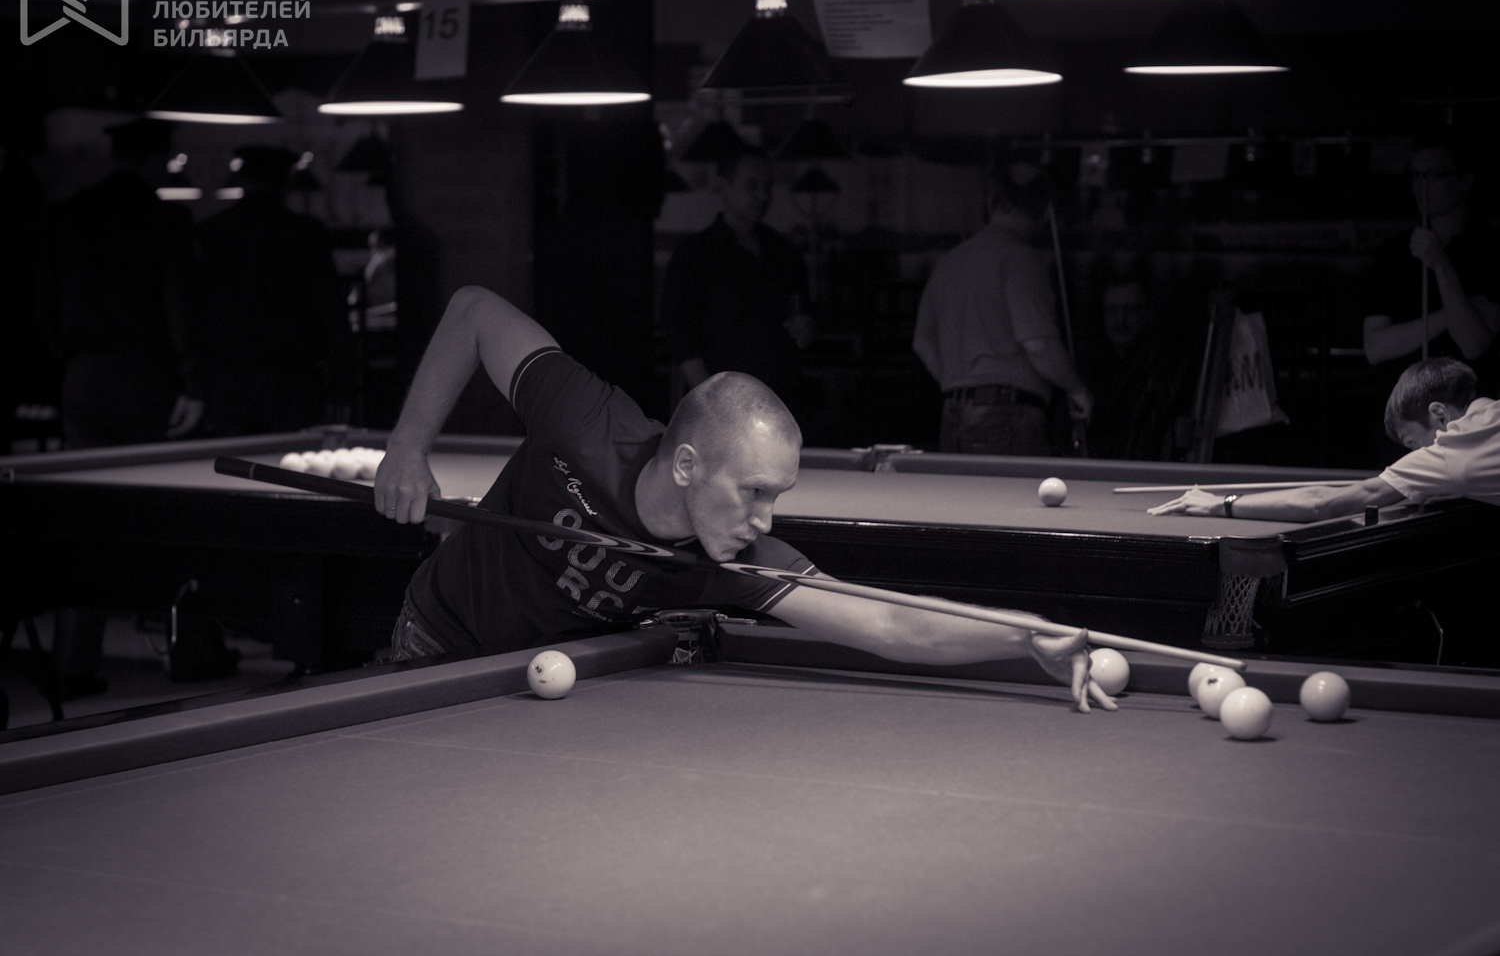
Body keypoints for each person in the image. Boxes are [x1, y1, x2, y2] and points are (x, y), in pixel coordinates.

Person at [375, 285, 1115, 712]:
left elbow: (890, 622)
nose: (764, 520)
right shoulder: (584, 420)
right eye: (753, 491)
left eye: (776, 496)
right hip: (441, 635)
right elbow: (473, 311)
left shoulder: (736, 560)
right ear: (687, 465)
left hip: (552, 683)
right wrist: (407, 448)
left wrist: (1024, 635)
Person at [1148, 358, 1498, 522]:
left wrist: (1221, 504)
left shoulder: (1452, 451)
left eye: (1414, 444)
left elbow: (1322, 503)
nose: (1421, 454)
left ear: (1439, 416)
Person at [34, 118, 204, 449]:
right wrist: (195, 386)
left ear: (115, 157)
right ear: (157, 158)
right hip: (147, 374)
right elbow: (180, 308)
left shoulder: (65, 215)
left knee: (87, 477)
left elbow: (44, 307)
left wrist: (73, 361)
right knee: (150, 478)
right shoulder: (168, 219)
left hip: (84, 373)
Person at [913, 162, 1092, 455]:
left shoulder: (950, 261)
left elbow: (923, 343)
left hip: (954, 414)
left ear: (993, 205)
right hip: (1007, 414)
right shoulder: (1021, 258)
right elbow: (1038, 345)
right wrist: (1077, 390)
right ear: (1044, 210)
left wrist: (960, 385)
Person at [1362, 133, 1499, 460]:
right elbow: (1376, 347)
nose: (1421, 186)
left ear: (1465, 180)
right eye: (1416, 175)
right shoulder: (1394, 254)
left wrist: (1439, 263)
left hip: (1469, 421)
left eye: (1433, 175)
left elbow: (1474, 343)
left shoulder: (1491, 249)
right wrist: (1453, 315)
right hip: (1405, 422)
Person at [197, 146, 350, 436]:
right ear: (285, 183)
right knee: (289, 460)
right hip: (291, 377)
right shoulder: (306, 233)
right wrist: (341, 385)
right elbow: (331, 312)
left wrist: (195, 385)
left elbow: (195, 310)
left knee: (230, 459)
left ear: (241, 180)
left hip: (228, 377)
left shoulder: (211, 232)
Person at [662, 146, 813, 408]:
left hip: (782, 399)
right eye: (752, 186)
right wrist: (712, 404)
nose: (763, 195)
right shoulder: (695, 255)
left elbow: (801, 314)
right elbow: (682, 339)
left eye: (767, 186)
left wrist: (806, 328)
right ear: (723, 186)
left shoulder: (783, 252)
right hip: (723, 400)